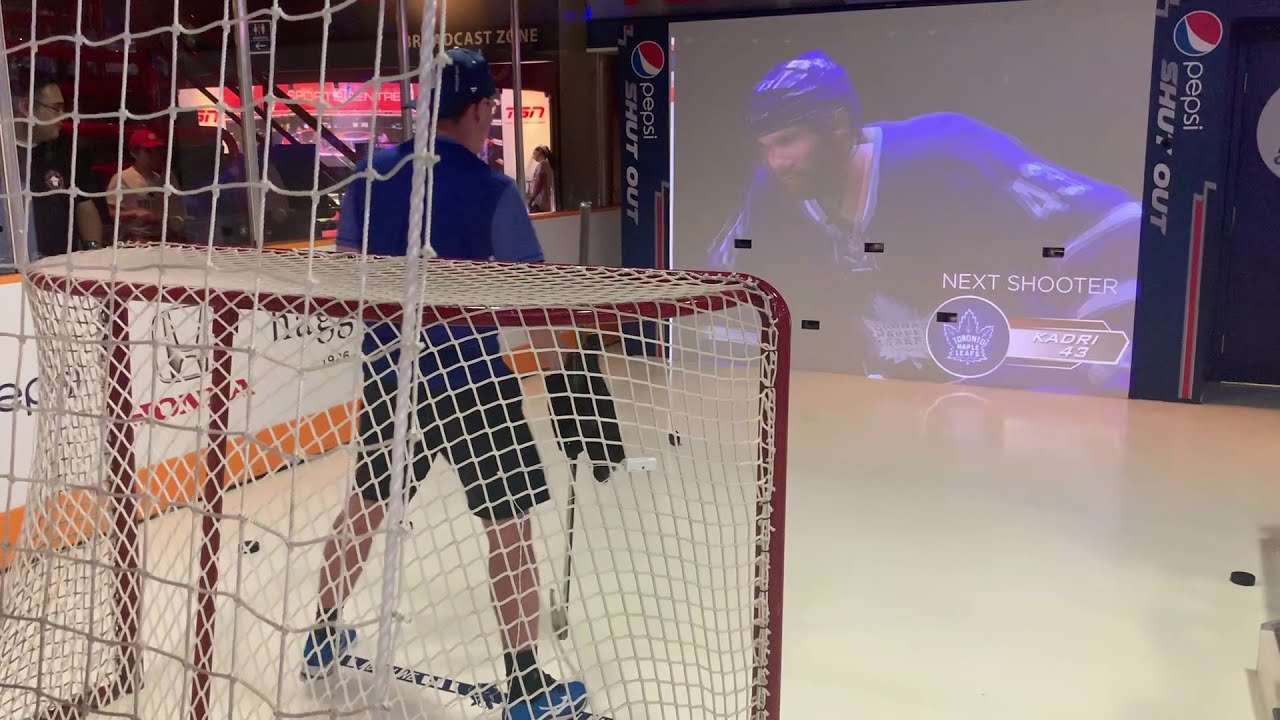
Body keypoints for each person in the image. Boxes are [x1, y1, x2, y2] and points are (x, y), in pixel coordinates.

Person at [305, 49, 589, 720]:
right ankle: (524, 684)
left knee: (367, 504)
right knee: (508, 527)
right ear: (479, 109)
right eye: (491, 107)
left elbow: (349, 277)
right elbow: (535, 302)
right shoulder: (494, 191)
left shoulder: (370, 176)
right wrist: (567, 373)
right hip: (473, 384)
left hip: (393, 380)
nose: (492, 116)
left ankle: (320, 633)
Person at [707, 50, 1139, 392]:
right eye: (765, 146)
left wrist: (1108, 362)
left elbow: (1115, 224)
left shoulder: (948, 153)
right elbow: (727, 284)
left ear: (837, 126)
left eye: (787, 141)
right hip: (888, 416)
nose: (775, 160)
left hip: (1008, 406)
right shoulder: (773, 189)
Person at [12, 69, 104, 258]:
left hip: (60, 271)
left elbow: (84, 207)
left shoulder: (66, 150)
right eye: (57, 108)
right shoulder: (6, 155)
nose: (64, 116)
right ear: (26, 106)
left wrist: (94, 251)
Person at [105, 128, 187, 243]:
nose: (155, 155)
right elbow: (111, 213)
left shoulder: (161, 179)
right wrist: (135, 213)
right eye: (148, 151)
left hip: (161, 237)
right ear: (134, 153)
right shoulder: (121, 178)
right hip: (134, 237)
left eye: (157, 150)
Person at [526, 145, 555, 213]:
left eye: (534, 153)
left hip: (540, 203)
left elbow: (539, 183)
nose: (533, 156)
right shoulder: (547, 165)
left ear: (540, 152)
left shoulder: (543, 164)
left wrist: (531, 199)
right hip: (545, 202)